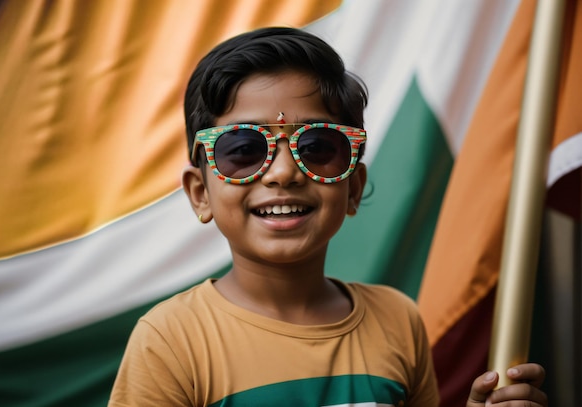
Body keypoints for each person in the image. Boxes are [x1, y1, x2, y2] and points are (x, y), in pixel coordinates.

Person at [108, 27, 547, 406]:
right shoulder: (170, 342)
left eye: (317, 146)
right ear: (200, 193)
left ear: (353, 187)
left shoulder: (399, 321)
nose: (283, 173)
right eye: (243, 149)